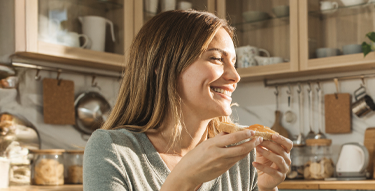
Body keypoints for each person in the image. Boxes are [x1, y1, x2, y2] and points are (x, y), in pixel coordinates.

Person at [84, 10, 293, 191]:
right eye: (217, 59)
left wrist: (266, 187)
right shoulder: (113, 149)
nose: (235, 76)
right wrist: (183, 180)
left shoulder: (242, 152)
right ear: (161, 64)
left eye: (234, 63)